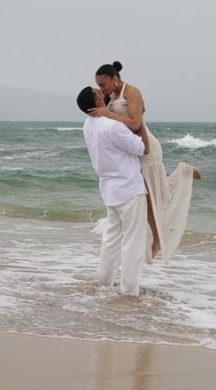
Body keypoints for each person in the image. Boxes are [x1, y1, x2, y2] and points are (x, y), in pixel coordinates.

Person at [90, 61, 200, 265]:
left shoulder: (132, 92)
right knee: (150, 196)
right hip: (132, 153)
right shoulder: (110, 96)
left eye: (104, 84)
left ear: (115, 79)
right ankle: (182, 174)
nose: (102, 88)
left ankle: (158, 239)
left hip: (148, 151)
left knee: (154, 199)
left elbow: (135, 123)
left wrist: (107, 113)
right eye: (99, 85)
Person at [77, 86, 149, 296]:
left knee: (111, 239)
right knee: (133, 242)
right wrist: (140, 117)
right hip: (128, 188)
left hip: (109, 189)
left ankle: (104, 282)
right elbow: (143, 148)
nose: (102, 92)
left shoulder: (87, 125)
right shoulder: (112, 126)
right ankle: (129, 291)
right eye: (98, 92)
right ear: (98, 103)